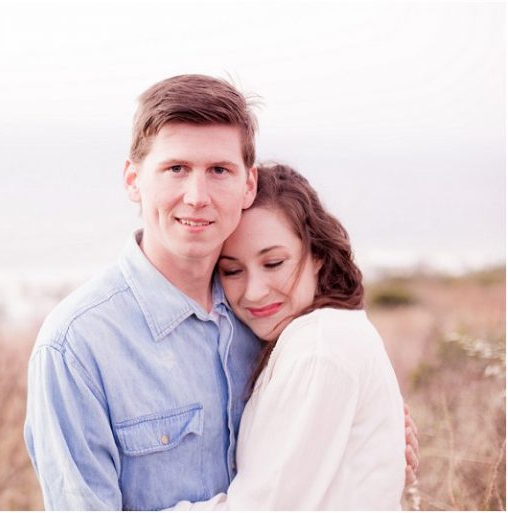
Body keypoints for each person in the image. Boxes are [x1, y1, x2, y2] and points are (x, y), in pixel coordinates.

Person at [24, 75, 418, 511]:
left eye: (219, 170)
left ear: (248, 184)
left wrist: (365, 445)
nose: (197, 197)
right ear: (133, 179)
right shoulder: (76, 347)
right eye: (176, 169)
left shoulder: (269, 317)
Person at [173, 163, 406, 509]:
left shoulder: (318, 349)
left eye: (274, 263)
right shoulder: (321, 335)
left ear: (318, 256)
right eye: (232, 271)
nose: (254, 292)